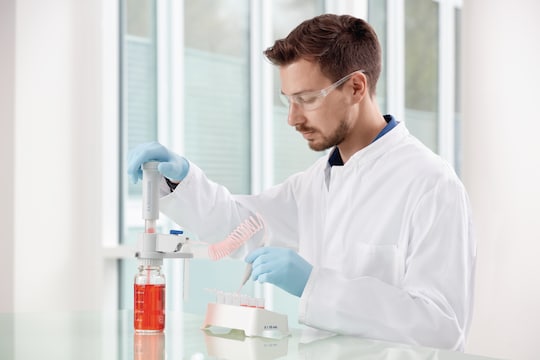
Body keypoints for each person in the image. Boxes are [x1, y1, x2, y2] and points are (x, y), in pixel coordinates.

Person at [127, 14, 476, 351]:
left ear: (356, 87)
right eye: (288, 100)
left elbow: (441, 326)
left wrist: (315, 285)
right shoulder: (315, 182)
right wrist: (182, 180)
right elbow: (239, 226)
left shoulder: (431, 185)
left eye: (307, 99)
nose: (293, 118)